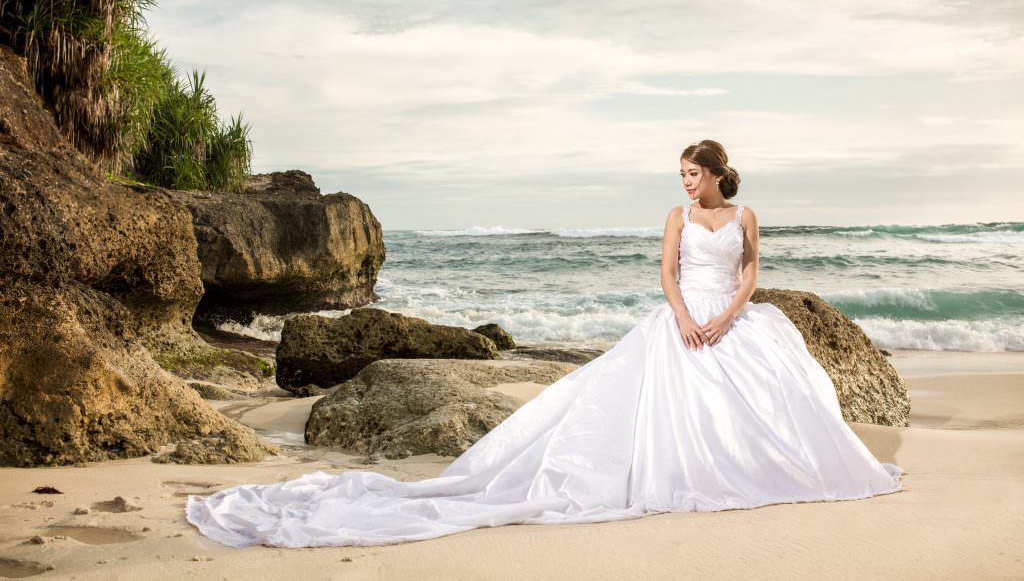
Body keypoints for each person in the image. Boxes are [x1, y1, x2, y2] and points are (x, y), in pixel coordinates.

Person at [185, 139, 903, 549]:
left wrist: (728, 316)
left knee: (772, 393)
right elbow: (664, 275)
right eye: (681, 175)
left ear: (717, 173)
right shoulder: (676, 216)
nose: (686, 182)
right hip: (684, 320)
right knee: (660, 404)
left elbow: (751, 276)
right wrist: (685, 317)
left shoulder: (745, 214)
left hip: (733, 319)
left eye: (694, 173)